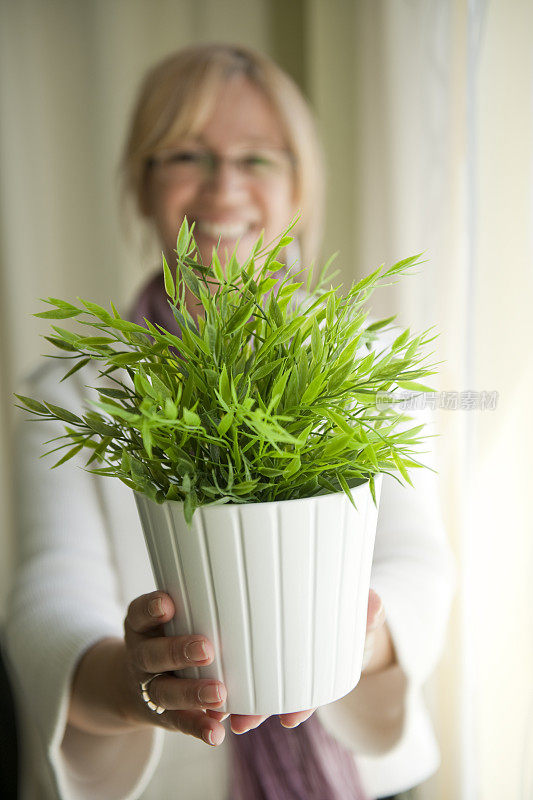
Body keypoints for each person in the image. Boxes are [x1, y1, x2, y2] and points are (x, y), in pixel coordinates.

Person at [4, 43, 456, 799]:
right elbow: (48, 597)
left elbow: (418, 556)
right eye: (185, 154)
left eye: (258, 159)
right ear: (142, 185)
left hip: (362, 778)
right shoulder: (74, 391)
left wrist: (356, 638)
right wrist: (134, 681)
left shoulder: (362, 356)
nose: (223, 188)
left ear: (298, 189)